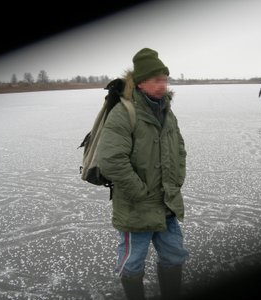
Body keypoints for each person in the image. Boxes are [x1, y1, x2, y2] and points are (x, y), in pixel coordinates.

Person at [96, 47, 189, 300]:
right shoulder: (124, 113)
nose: (163, 85)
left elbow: (179, 148)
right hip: (136, 207)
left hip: (166, 202)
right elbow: (111, 159)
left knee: (174, 255)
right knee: (132, 263)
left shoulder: (167, 111)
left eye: (165, 79)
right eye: (156, 80)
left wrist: (176, 179)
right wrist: (138, 191)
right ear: (140, 83)